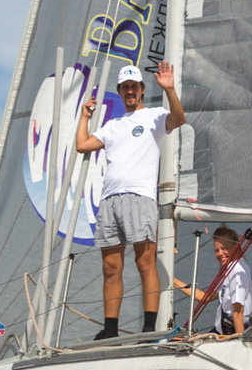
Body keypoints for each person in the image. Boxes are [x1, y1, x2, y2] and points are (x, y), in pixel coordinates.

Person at [74, 61, 184, 339]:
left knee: (145, 263)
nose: (130, 91)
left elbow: (179, 119)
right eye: (125, 87)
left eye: (134, 86)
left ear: (142, 89)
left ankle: (149, 327)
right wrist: (84, 117)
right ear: (120, 91)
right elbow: (82, 145)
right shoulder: (112, 125)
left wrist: (169, 90)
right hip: (109, 199)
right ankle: (110, 329)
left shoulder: (155, 116)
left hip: (140, 196)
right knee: (110, 268)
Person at [179, 226, 252, 334]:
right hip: (221, 332)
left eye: (224, 248)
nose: (220, 253)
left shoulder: (237, 270)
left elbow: (238, 311)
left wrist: (239, 341)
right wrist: (173, 282)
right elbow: (205, 298)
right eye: (217, 250)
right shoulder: (230, 269)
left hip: (231, 333)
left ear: (236, 247)